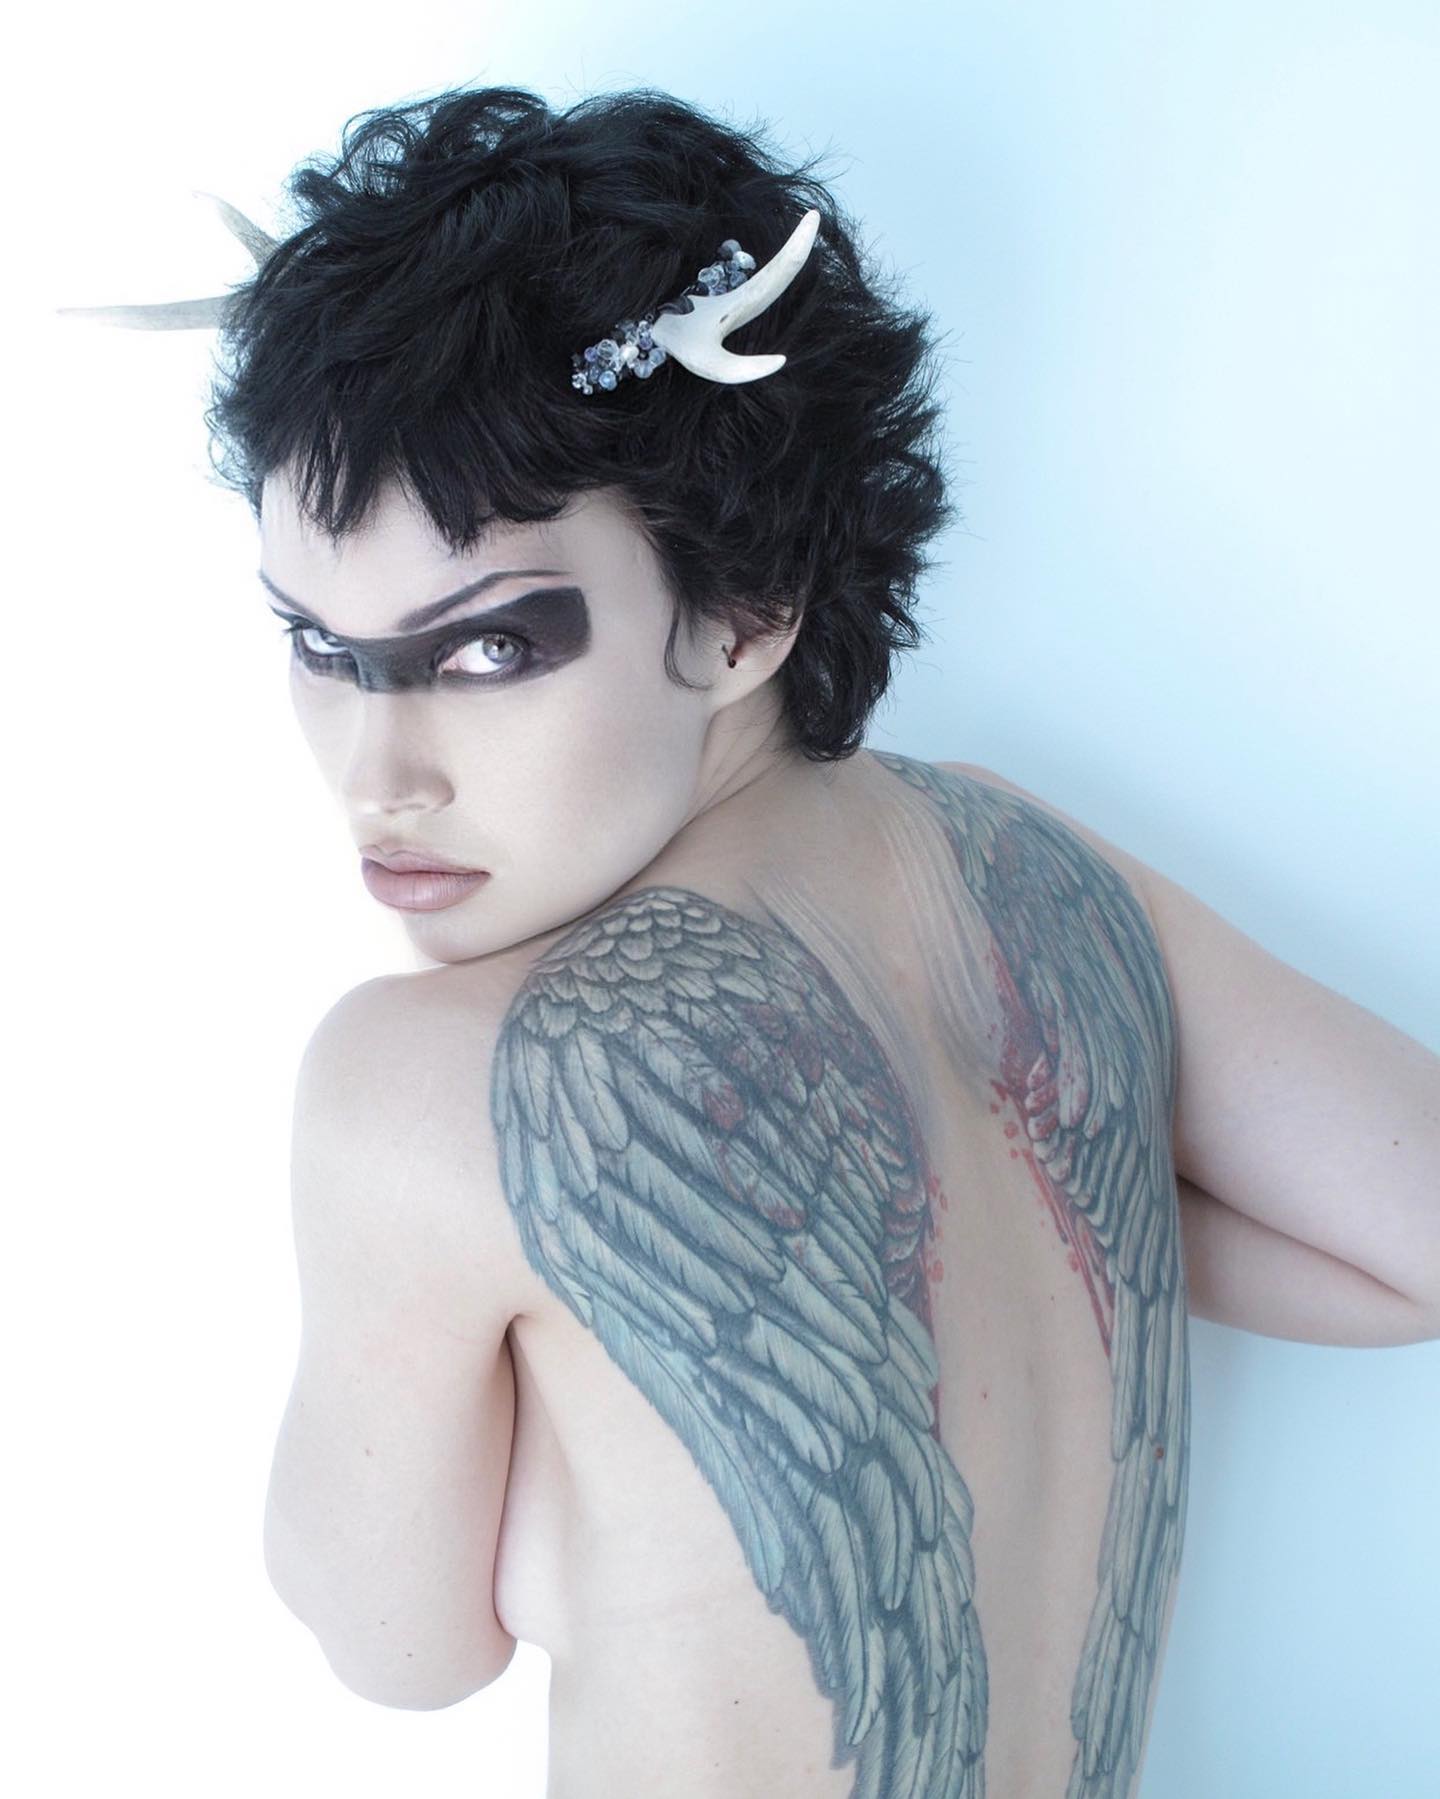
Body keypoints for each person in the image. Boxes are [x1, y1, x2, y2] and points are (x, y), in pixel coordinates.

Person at [64, 83, 1440, 1799]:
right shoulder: (1034, 877)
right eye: (323, 649)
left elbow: (399, 1649)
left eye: (488, 649)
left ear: (743, 610)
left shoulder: (427, 1086)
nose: (378, 771)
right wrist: (1018, 1225)